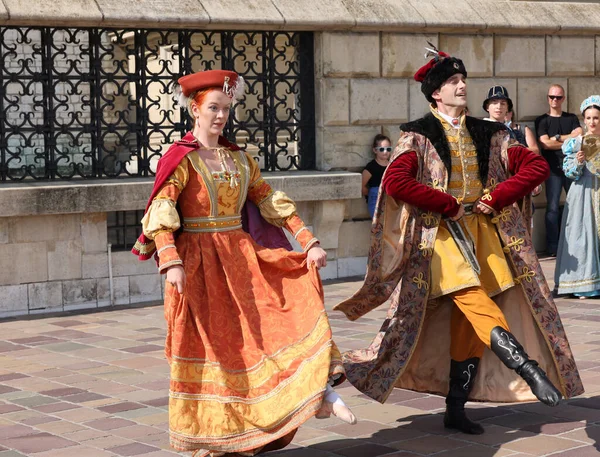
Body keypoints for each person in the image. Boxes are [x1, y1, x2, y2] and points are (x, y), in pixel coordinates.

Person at [334, 48, 583, 436]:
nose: (462, 85)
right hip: (440, 236)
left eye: (462, 79)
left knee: (470, 324)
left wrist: (496, 196)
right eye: (453, 82)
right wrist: (445, 202)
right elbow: (396, 181)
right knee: (471, 297)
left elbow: (534, 166)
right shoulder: (418, 135)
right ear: (436, 92)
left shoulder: (490, 132)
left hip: (484, 234)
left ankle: (455, 406)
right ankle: (527, 369)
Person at [131, 69, 356, 457]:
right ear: (195, 109)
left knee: (264, 332)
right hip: (198, 267)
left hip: (241, 260)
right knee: (216, 352)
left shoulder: (239, 159)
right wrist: (170, 261)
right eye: (212, 108)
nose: (220, 116)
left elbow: (269, 200)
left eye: (225, 108)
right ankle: (220, 438)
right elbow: (162, 209)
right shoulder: (179, 158)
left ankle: (315, 391)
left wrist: (308, 240)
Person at [555, 95, 600, 299]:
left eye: (596, 118)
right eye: (588, 118)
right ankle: (584, 284)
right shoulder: (575, 143)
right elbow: (570, 173)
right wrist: (579, 162)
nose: (592, 122)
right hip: (582, 193)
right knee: (582, 236)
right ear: (583, 120)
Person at [482, 86, 541, 230]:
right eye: (494, 102)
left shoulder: (510, 131)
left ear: (508, 108)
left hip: (513, 187)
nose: (498, 107)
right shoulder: (480, 128)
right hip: (490, 189)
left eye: (503, 103)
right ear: (487, 107)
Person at [535, 84, 583, 256]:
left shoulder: (571, 118)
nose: (555, 100)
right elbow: (545, 144)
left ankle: (575, 245)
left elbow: (579, 135)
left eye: (558, 97)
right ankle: (553, 247)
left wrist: (556, 139)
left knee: (576, 206)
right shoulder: (542, 120)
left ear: (563, 99)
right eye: (552, 97)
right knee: (553, 207)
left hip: (573, 167)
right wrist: (569, 140)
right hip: (553, 170)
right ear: (547, 98)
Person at [362, 134, 391, 218]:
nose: (385, 152)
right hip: (376, 200)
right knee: (379, 226)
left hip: (390, 200)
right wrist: (372, 194)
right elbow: (362, 186)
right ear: (375, 150)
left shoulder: (392, 165)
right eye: (382, 149)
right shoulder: (371, 167)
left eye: (388, 149)